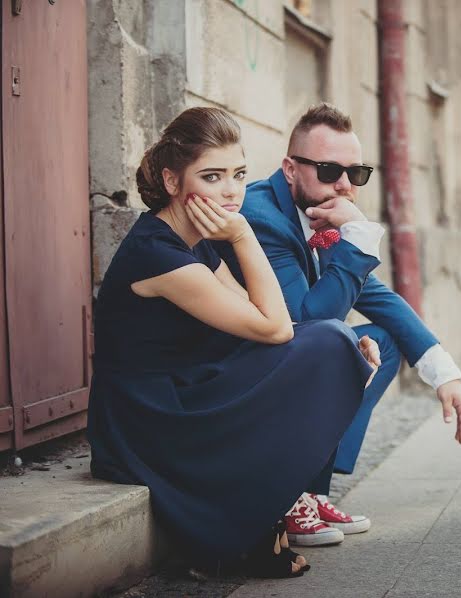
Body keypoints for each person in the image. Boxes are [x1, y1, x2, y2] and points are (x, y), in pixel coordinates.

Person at [87, 107, 379, 578]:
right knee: (326, 342)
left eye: (239, 174)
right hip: (149, 420)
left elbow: (266, 319)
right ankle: (243, 527)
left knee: (333, 341)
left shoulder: (195, 241)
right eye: (213, 176)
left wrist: (345, 345)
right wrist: (242, 234)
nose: (231, 191)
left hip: (186, 392)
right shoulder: (157, 254)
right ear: (171, 180)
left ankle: (263, 510)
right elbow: (278, 330)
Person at [216, 103, 461, 547]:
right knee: (335, 345)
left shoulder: (322, 214)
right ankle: (283, 491)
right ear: (290, 168)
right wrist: (359, 237)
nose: (345, 185)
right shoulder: (262, 218)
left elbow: (374, 295)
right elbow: (306, 329)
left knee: (383, 342)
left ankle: (310, 490)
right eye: (330, 169)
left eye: (357, 173)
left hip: (273, 365)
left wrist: (443, 374)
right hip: (231, 374)